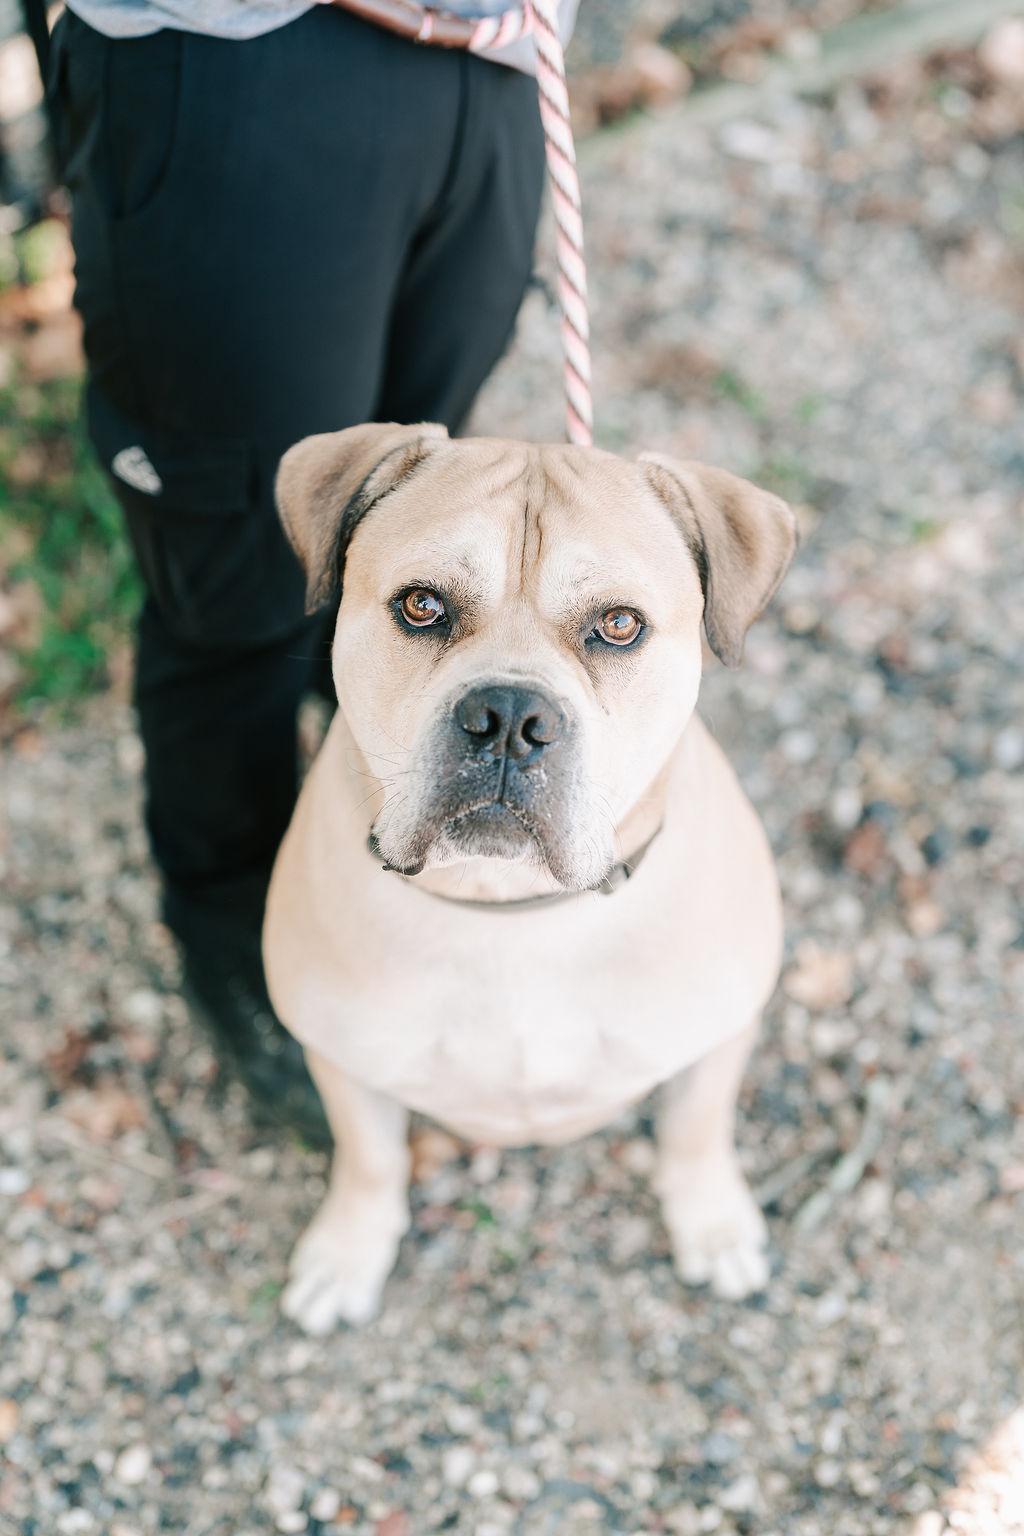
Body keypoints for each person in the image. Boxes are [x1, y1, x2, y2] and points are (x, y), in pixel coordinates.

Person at [48, 0, 578, 1142]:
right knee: (237, 571)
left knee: (420, 527)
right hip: (243, 57)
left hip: (492, 63)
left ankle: (396, 819)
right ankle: (234, 920)